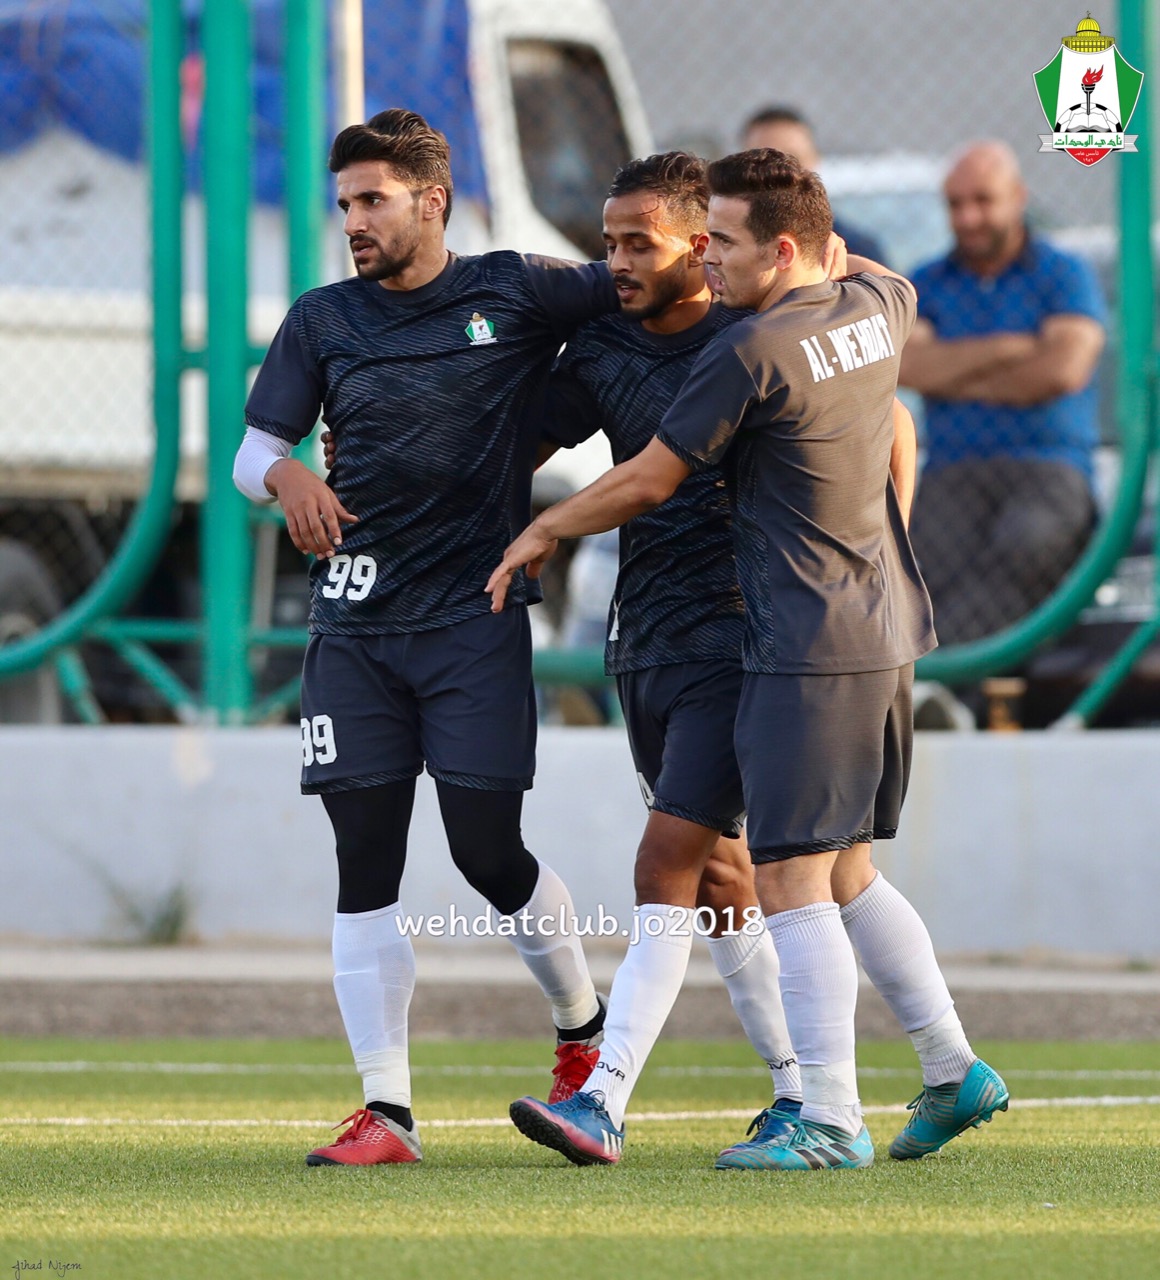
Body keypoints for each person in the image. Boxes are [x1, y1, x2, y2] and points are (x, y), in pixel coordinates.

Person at [489, 148, 1008, 1172]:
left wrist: (544, 529)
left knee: (784, 878)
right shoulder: (880, 303)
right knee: (842, 869)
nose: (708, 256)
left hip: (794, 642)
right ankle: (950, 1067)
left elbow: (647, 478)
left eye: (721, 240)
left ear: (777, 250)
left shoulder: (750, 348)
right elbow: (890, 380)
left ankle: (822, 1116)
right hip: (879, 631)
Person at [232, 108, 616, 1168]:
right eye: (344, 203)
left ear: (432, 200)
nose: (353, 221)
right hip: (354, 627)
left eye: (373, 200)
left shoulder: (517, 289)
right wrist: (288, 473)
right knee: (364, 860)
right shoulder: (322, 320)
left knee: (487, 852)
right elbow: (252, 452)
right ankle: (386, 1112)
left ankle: (581, 1028)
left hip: (471, 623)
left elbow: (638, 287)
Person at [506, 152, 803, 1166]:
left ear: (698, 244)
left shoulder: (752, 336)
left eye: (640, 243)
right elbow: (512, 445)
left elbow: (885, 423)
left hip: (738, 638)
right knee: (720, 879)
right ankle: (808, 1088)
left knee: (664, 862)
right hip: (646, 643)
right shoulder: (600, 347)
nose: (619, 262)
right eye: (609, 244)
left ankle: (603, 1100)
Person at [899, 140, 1106, 644]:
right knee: (920, 563)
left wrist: (956, 374)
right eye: (955, 204)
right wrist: (1012, 348)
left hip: (1049, 465)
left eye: (983, 201)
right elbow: (908, 366)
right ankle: (968, 673)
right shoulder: (927, 281)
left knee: (1029, 543)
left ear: (1018, 197)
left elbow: (1063, 371)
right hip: (955, 467)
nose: (968, 218)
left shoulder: (1064, 273)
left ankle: (946, 666)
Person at [742, 106, 886, 263]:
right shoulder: (725, 247)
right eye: (763, 162)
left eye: (793, 160)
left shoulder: (857, 250)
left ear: (814, 161)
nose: (779, 172)